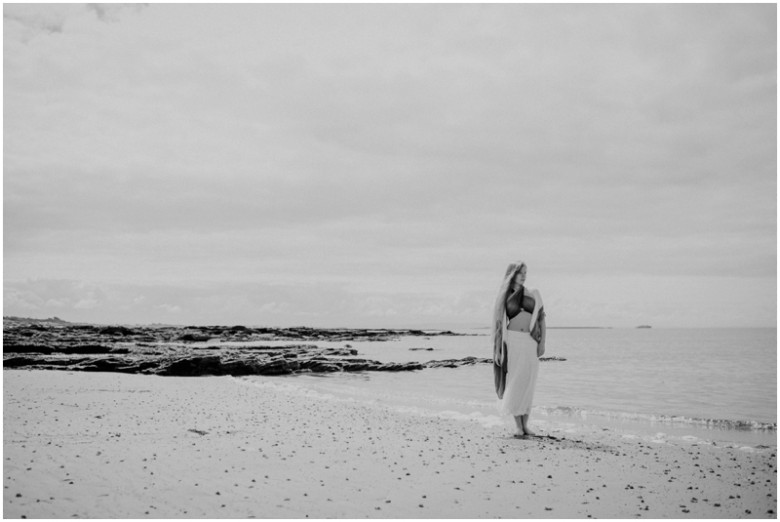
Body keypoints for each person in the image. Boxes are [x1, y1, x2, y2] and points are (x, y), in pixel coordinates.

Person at [492, 261, 546, 438]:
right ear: (512, 274)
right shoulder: (504, 296)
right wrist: (498, 350)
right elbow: (499, 326)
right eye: (520, 272)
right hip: (513, 342)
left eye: (525, 272)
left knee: (528, 383)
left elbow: (541, 320)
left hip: (530, 341)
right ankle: (518, 427)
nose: (524, 275)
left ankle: (526, 425)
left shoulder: (534, 293)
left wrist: (542, 343)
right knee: (515, 382)